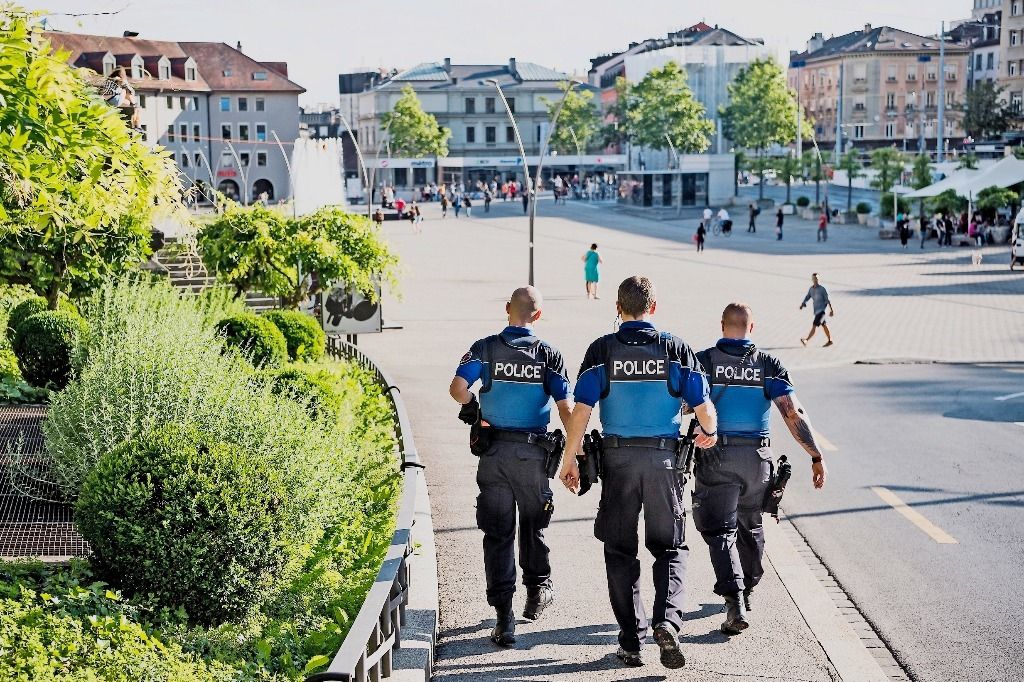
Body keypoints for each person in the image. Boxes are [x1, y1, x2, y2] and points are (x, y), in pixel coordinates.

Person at [559, 276, 718, 670]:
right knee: (670, 548)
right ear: (654, 307)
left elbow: (581, 412)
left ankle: (631, 642)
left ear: (618, 307)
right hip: (664, 464)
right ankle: (667, 623)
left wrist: (570, 459)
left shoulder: (602, 350)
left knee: (619, 550)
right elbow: (705, 408)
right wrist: (709, 432)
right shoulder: (676, 349)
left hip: (617, 464)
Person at [694, 303, 828, 635]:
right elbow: (792, 413)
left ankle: (735, 599)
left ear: (722, 325)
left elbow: (682, 405)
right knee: (751, 524)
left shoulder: (704, 361)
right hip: (757, 460)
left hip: (716, 456)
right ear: (751, 328)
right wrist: (815, 454)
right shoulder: (768, 364)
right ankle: (748, 586)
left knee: (720, 531)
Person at [449, 287, 571, 647]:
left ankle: (504, 618)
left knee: (498, 535)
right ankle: (536, 593)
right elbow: (566, 407)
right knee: (534, 526)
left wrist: (474, 406)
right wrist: (574, 455)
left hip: (494, 455)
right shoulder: (549, 355)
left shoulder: (485, 348)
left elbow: (457, 388)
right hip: (533, 456)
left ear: (507, 310)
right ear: (538, 316)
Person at [799, 273, 835, 347]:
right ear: (812, 279)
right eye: (814, 279)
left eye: (817, 279)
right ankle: (830, 340)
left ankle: (806, 340)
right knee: (824, 325)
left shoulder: (822, 289)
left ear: (819, 279)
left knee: (814, 325)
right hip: (816, 311)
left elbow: (828, 300)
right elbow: (808, 296)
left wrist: (832, 310)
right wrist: (803, 303)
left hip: (822, 311)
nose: (816, 280)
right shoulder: (811, 289)